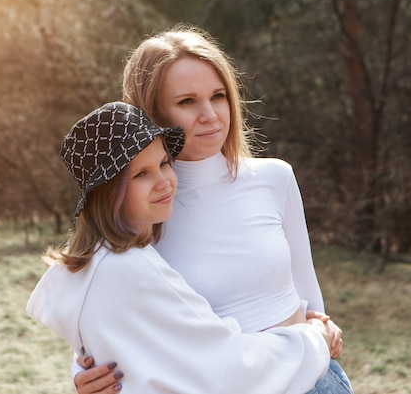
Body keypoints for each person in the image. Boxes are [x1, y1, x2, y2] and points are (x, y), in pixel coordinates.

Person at [74, 25, 354, 394]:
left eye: (218, 96)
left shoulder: (275, 178)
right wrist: (83, 377)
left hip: (312, 382)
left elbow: (310, 298)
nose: (209, 115)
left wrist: (325, 332)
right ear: (152, 114)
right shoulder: (140, 212)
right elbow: (99, 326)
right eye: (187, 102)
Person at [26, 101, 340, 394]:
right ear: (107, 192)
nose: (164, 180)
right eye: (141, 174)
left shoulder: (95, 265)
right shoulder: (133, 270)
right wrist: (312, 338)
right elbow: (227, 367)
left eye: (164, 163)